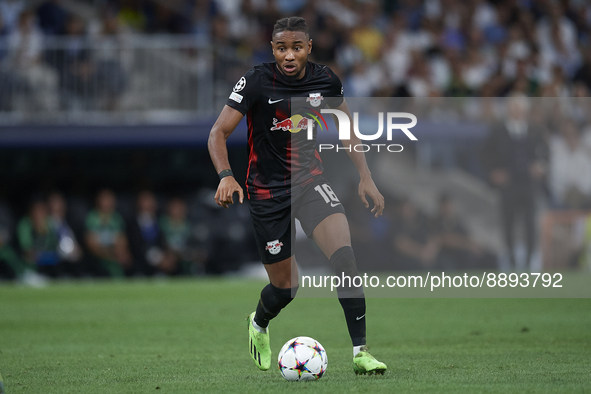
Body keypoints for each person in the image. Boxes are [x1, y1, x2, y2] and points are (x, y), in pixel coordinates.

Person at [207, 17, 387, 375]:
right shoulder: (256, 81)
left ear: (308, 49)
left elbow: (346, 127)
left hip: (309, 182)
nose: (289, 55)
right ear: (273, 49)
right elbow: (217, 133)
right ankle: (258, 323)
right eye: (281, 48)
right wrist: (226, 177)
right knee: (287, 288)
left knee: (346, 262)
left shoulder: (326, 80)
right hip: (266, 192)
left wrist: (365, 176)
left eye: (296, 47)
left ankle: (361, 352)